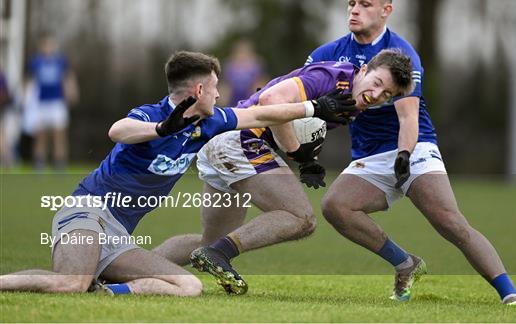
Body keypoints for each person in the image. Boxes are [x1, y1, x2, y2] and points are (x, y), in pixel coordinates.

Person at [0, 51, 354, 296]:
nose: (221, 93)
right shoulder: (149, 114)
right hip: (86, 214)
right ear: (199, 90)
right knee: (69, 283)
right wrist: (160, 130)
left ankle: (108, 292)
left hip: (118, 235)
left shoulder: (212, 120)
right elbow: (118, 131)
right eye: (215, 87)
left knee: (189, 286)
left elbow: (259, 115)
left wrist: (313, 106)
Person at [308, 0, 516, 305]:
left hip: (413, 146)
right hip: (369, 155)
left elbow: (408, 117)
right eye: (351, 3)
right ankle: (406, 263)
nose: (354, 10)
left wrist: (404, 157)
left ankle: (510, 294)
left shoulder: (401, 55)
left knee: (449, 223)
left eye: (365, 4)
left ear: (386, 10)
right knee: (336, 206)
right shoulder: (329, 53)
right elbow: (300, 93)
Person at [153, 49, 415, 295]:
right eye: (378, 83)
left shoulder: (353, 104)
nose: (377, 94)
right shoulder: (332, 77)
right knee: (301, 218)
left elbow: (303, 124)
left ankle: (130, 269)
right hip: (240, 139)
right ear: (364, 70)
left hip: (223, 142)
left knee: (210, 241)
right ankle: (219, 254)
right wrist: (297, 154)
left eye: (386, 94)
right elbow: (271, 99)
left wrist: (307, 159)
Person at [26, 34, 79, 170]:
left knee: (59, 134)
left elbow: (68, 77)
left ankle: (59, 162)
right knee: (41, 134)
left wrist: (72, 91)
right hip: (41, 103)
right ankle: (39, 162)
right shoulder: (36, 62)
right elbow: (29, 80)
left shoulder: (60, 61)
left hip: (57, 102)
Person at [222, 39, 266, 106]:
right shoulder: (229, 65)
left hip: (250, 97)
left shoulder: (255, 65)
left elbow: (260, 81)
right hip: (233, 98)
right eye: (240, 52)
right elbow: (226, 84)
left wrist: (258, 97)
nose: (242, 54)